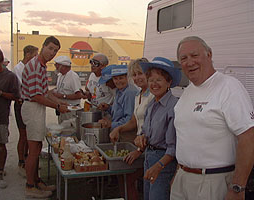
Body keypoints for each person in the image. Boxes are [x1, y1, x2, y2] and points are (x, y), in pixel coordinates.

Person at [171, 36, 254, 200]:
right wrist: (179, 173)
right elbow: (185, 138)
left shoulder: (229, 87)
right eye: (184, 58)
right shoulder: (187, 91)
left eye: (194, 55)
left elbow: (248, 137)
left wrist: (238, 187)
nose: (189, 62)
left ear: (209, 55)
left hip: (213, 183)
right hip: (182, 180)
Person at [21, 36, 69, 198]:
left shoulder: (41, 66)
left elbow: (45, 92)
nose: (52, 53)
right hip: (33, 107)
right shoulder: (35, 65)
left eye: (55, 50)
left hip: (36, 107)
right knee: (34, 150)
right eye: (50, 48)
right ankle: (30, 185)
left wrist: (60, 102)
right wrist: (57, 106)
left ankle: (37, 181)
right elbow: (36, 96)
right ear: (43, 47)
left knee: (36, 145)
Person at [135, 57, 181, 200]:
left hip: (164, 162)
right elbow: (144, 131)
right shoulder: (152, 104)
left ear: (169, 82)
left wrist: (159, 165)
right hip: (149, 156)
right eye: (151, 80)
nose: (154, 84)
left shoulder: (174, 107)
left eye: (159, 80)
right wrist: (140, 137)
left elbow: (173, 148)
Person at [109, 58, 153, 200]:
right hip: (140, 145)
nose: (137, 78)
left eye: (140, 73)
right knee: (126, 179)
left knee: (130, 179)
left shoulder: (153, 95)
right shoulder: (138, 95)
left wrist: (139, 151)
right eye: (134, 75)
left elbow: (153, 128)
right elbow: (134, 121)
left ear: (148, 73)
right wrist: (119, 129)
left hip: (149, 148)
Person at [12, 45, 39, 177]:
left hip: (29, 104)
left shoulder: (30, 67)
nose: (36, 58)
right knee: (23, 135)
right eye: (35, 55)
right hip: (21, 103)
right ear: (28, 54)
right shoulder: (18, 69)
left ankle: (28, 159)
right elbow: (26, 86)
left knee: (30, 135)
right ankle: (21, 161)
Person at [98, 64, 138, 142]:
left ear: (127, 77)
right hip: (119, 132)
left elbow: (129, 120)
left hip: (127, 135)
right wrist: (108, 108)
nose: (118, 81)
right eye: (115, 79)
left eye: (121, 78)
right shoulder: (119, 91)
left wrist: (110, 124)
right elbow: (119, 112)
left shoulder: (129, 92)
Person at [0, 49, 20, 189]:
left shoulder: (10, 76)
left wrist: (0, 93)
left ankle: (0, 170)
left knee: (1, 144)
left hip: (1, 116)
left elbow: (16, 96)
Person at [51, 55, 82, 123]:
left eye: (57, 65)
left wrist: (62, 96)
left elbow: (79, 95)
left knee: (69, 130)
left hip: (71, 110)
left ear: (64, 66)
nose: (55, 67)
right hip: (62, 109)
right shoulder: (60, 75)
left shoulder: (73, 77)